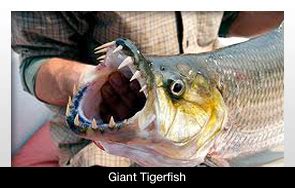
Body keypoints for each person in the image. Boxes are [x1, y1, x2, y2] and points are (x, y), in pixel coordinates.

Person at [11, 11, 283, 167]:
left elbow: (229, 18)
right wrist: (88, 81)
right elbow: (37, 56)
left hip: (207, 118)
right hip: (106, 143)